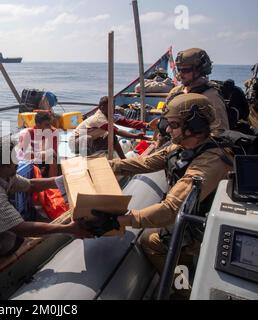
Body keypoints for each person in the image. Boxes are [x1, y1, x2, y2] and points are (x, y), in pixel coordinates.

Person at [86, 94, 233, 294]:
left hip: (202, 230)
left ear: (194, 126)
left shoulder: (209, 162)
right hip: (192, 218)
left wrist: (119, 220)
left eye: (173, 124)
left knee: (151, 242)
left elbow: (172, 209)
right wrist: (108, 165)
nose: (168, 129)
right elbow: (147, 162)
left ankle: (185, 291)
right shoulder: (183, 147)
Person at [0, 137, 92, 264]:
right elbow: (21, 228)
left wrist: (63, 180)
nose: (18, 161)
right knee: (11, 239)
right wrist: (68, 229)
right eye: (15, 158)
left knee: (11, 228)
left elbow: (30, 185)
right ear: (4, 165)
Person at [166, 48, 229, 135]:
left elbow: (220, 132)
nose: (180, 74)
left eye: (185, 70)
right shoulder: (175, 92)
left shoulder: (211, 97)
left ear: (199, 70)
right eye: (179, 69)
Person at [69, 96, 152, 158]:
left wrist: (146, 125)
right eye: (109, 107)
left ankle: (123, 159)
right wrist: (135, 136)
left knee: (111, 136)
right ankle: (89, 162)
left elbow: (127, 122)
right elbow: (116, 130)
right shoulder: (98, 118)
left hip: (92, 141)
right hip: (75, 142)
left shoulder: (110, 115)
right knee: (88, 138)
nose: (112, 109)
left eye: (113, 106)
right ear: (101, 108)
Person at [17, 111, 59, 177]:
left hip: (46, 159)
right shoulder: (29, 133)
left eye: (50, 124)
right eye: (47, 125)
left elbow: (54, 152)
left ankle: (52, 183)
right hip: (33, 160)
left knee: (52, 160)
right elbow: (27, 154)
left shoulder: (53, 132)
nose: (50, 127)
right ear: (38, 125)